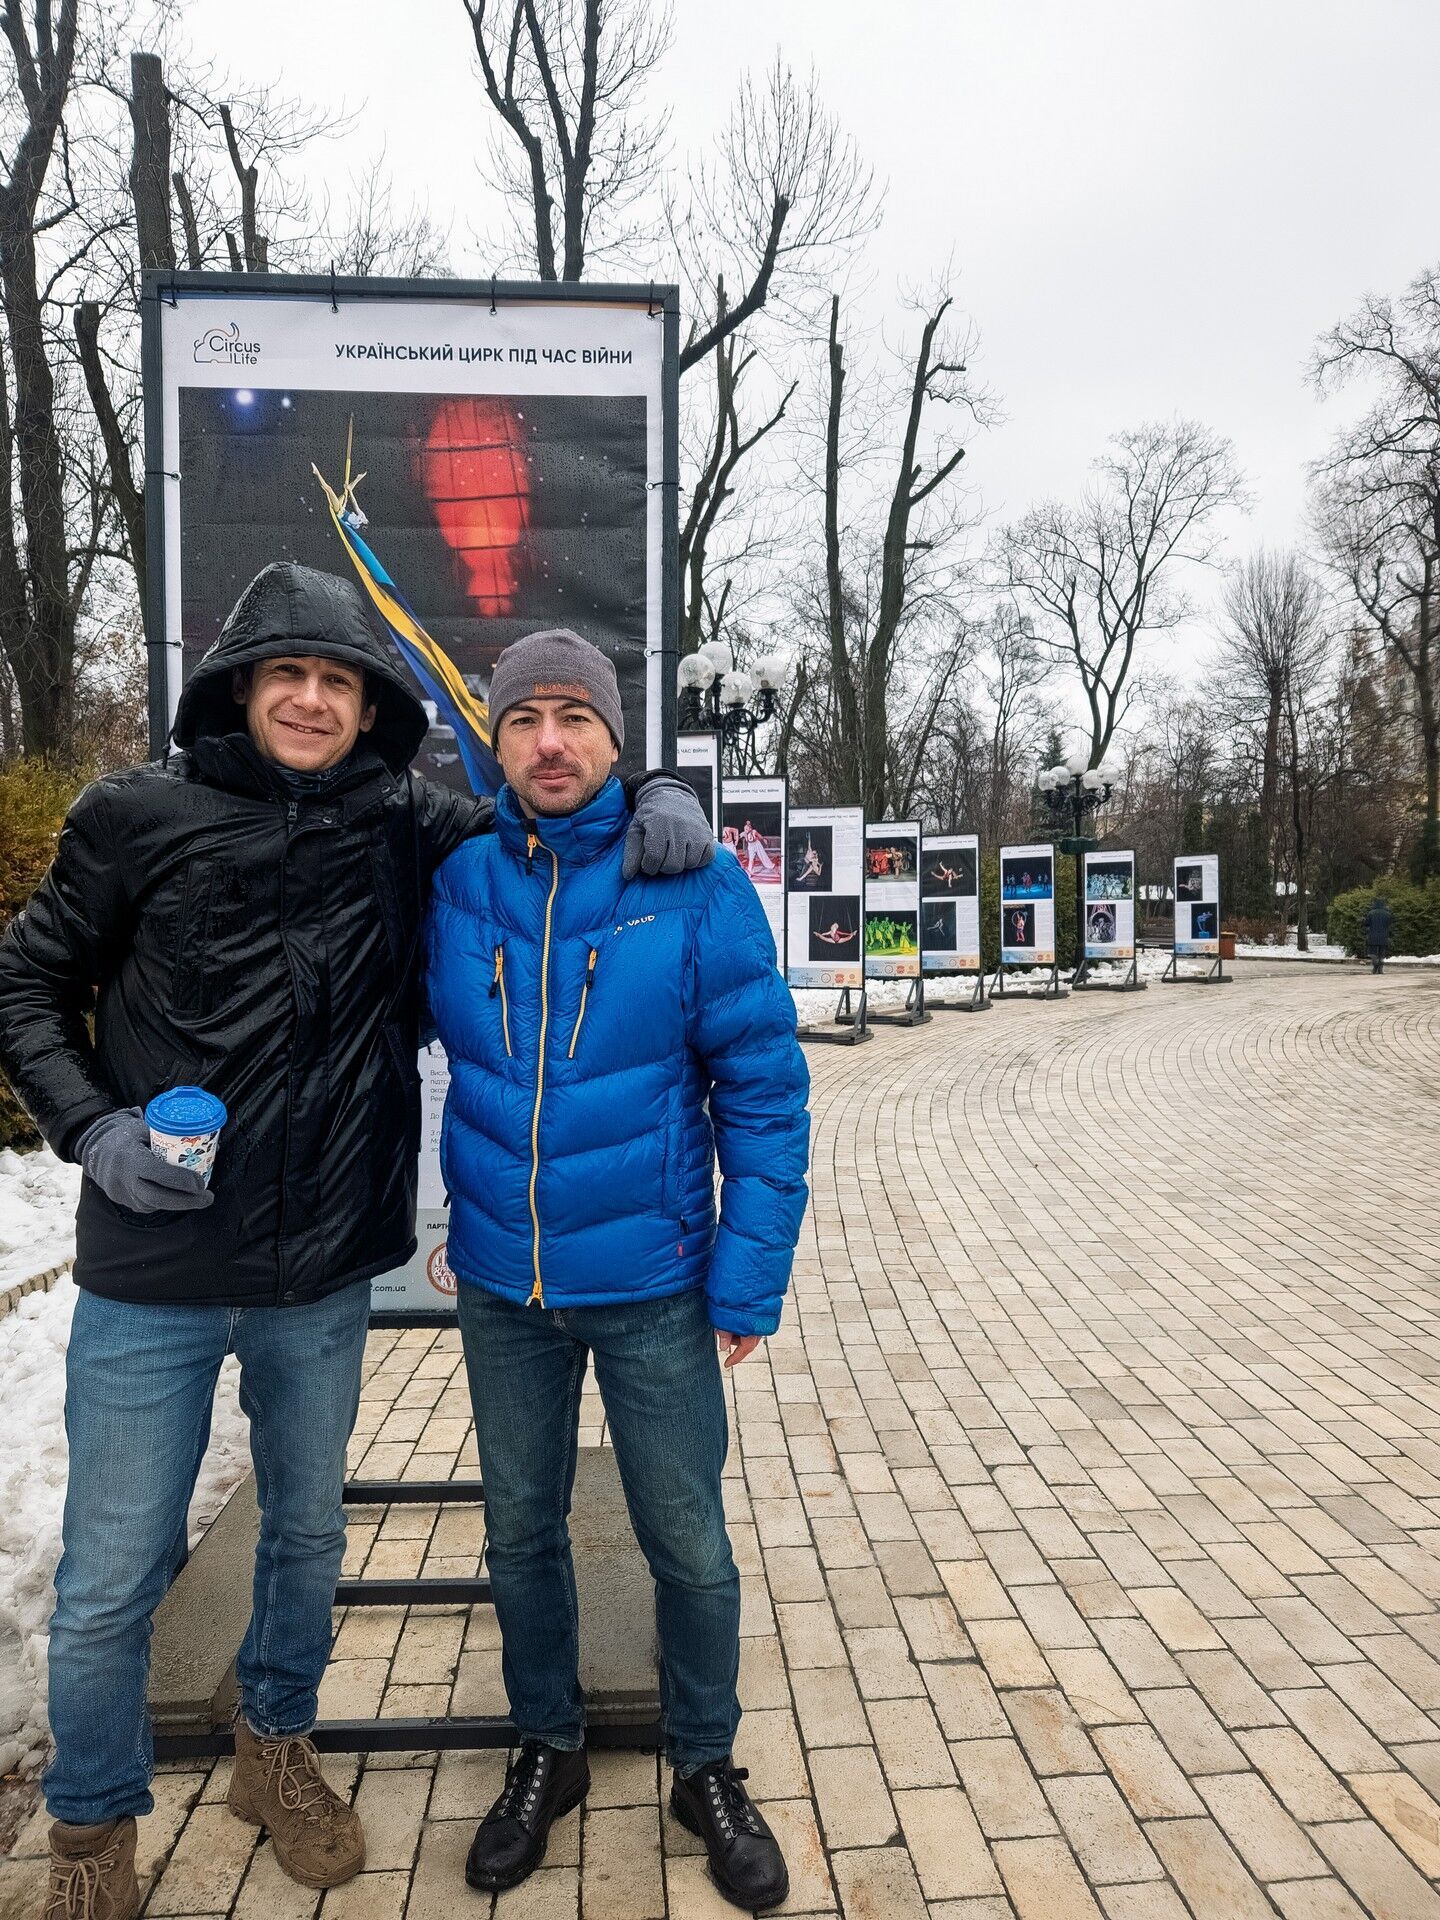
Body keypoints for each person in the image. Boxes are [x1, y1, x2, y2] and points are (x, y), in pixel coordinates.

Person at [0, 565, 711, 1920]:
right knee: (107, 1576)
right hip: (154, 1270)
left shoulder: (408, 822)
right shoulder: (133, 813)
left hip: (322, 1266)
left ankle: (277, 1745)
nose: (315, 701)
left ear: (367, 705)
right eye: (290, 678)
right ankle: (91, 1837)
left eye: (338, 681)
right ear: (242, 690)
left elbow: (553, 801)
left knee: (305, 1537)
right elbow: (26, 979)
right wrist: (91, 1130)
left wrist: (669, 792)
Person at [425, 629, 810, 1913]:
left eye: (574, 716)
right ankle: (549, 1747)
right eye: (523, 716)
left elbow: (762, 1093)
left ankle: (705, 1762)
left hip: (654, 1285)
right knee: (521, 1533)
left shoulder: (692, 889)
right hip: (502, 1288)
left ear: (612, 738)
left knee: (686, 1544)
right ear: (493, 738)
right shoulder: (461, 878)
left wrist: (748, 1278)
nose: (549, 740)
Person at [1364, 894, 1393, 973]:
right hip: (1384, 936)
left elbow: (1366, 923)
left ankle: (1375, 965)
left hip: (1373, 935)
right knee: (1382, 953)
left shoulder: (1371, 913)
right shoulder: (1387, 914)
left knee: (1373, 952)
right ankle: (1380, 968)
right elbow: (1389, 924)